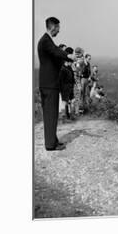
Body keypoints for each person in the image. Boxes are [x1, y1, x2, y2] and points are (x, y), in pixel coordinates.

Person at [37, 17, 74, 151]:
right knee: (51, 114)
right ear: (53, 27)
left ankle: (53, 140)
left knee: (51, 114)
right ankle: (50, 144)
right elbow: (56, 52)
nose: (59, 31)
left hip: (47, 83)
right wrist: (69, 56)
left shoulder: (46, 41)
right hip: (49, 84)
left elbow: (54, 57)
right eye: (58, 28)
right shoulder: (46, 41)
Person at [58, 47, 75, 120]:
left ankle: (70, 115)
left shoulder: (69, 68)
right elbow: (61, 80)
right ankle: (65, 116)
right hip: (65, 87)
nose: (71, 63)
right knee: (65, 102)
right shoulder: (63, 69)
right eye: (71, 62)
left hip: (70, 86)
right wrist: (61, 88)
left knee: (70, 101)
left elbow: (72, 77)